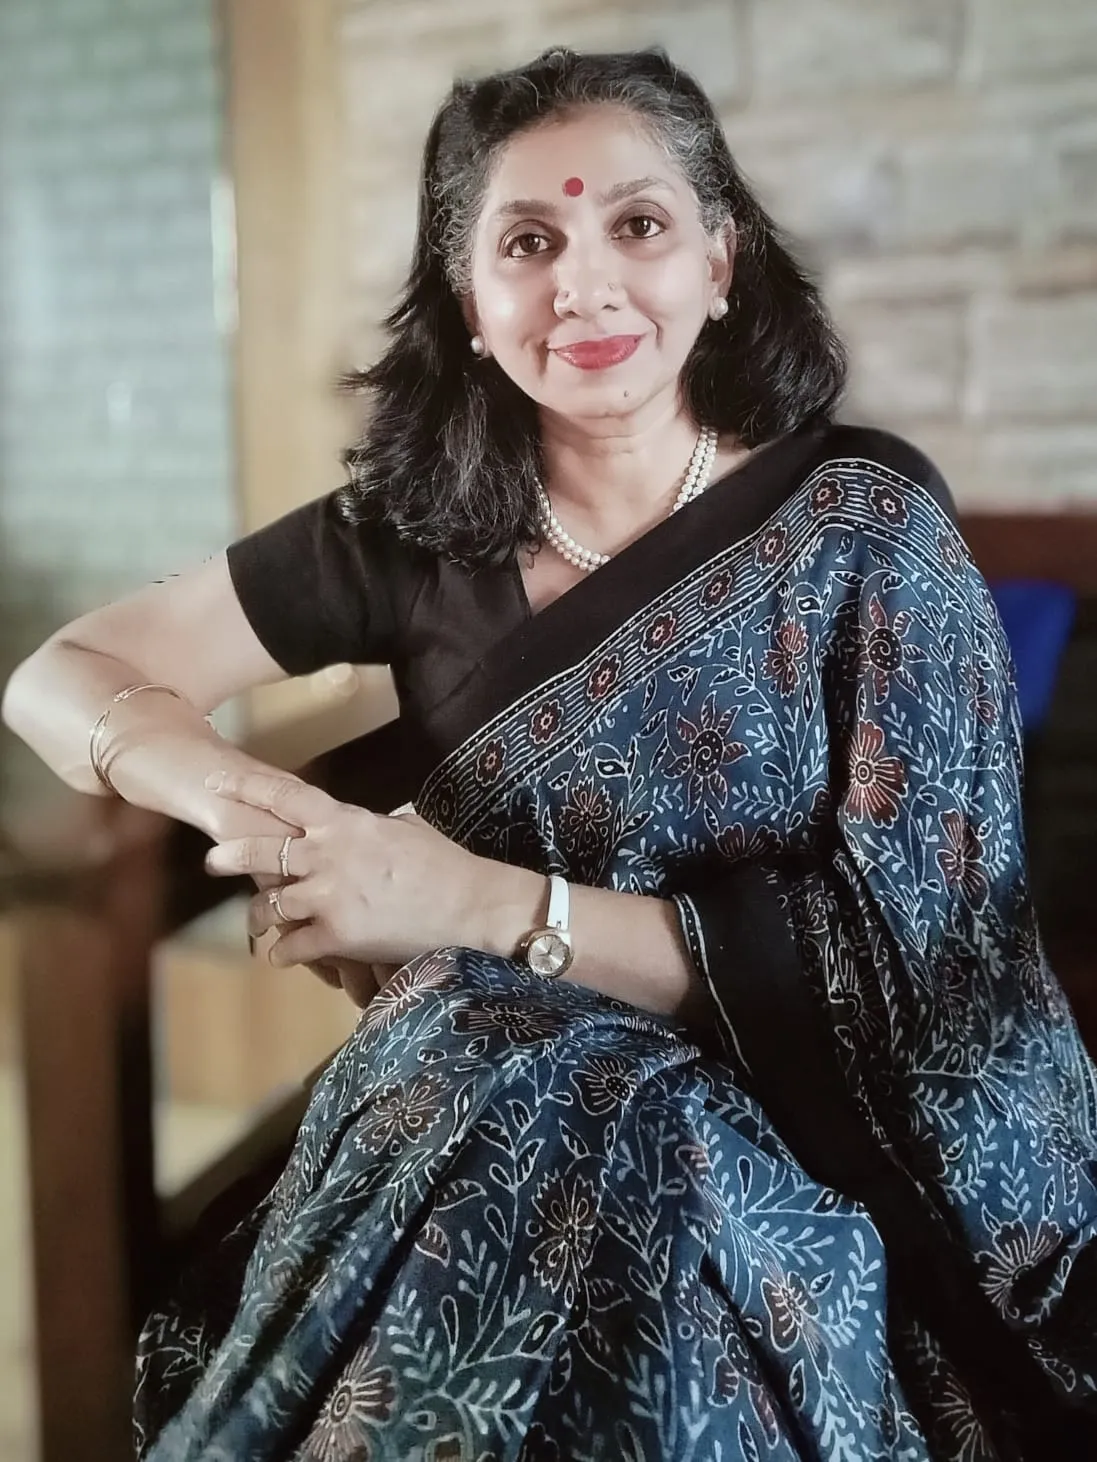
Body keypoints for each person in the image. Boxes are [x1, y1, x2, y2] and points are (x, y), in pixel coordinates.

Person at [4, 44, 1096, 1462]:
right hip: (477, 1093)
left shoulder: (868, 533)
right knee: (526, 1103)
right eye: (528, 241)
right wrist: (276, 815)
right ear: (470, 303)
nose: (583, 283)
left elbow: (922, 984)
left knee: (618, 1141)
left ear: (721, 259)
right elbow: (56, 675)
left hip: (797, 1144)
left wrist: (464, 901)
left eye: (636, 225)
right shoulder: (413, 531)